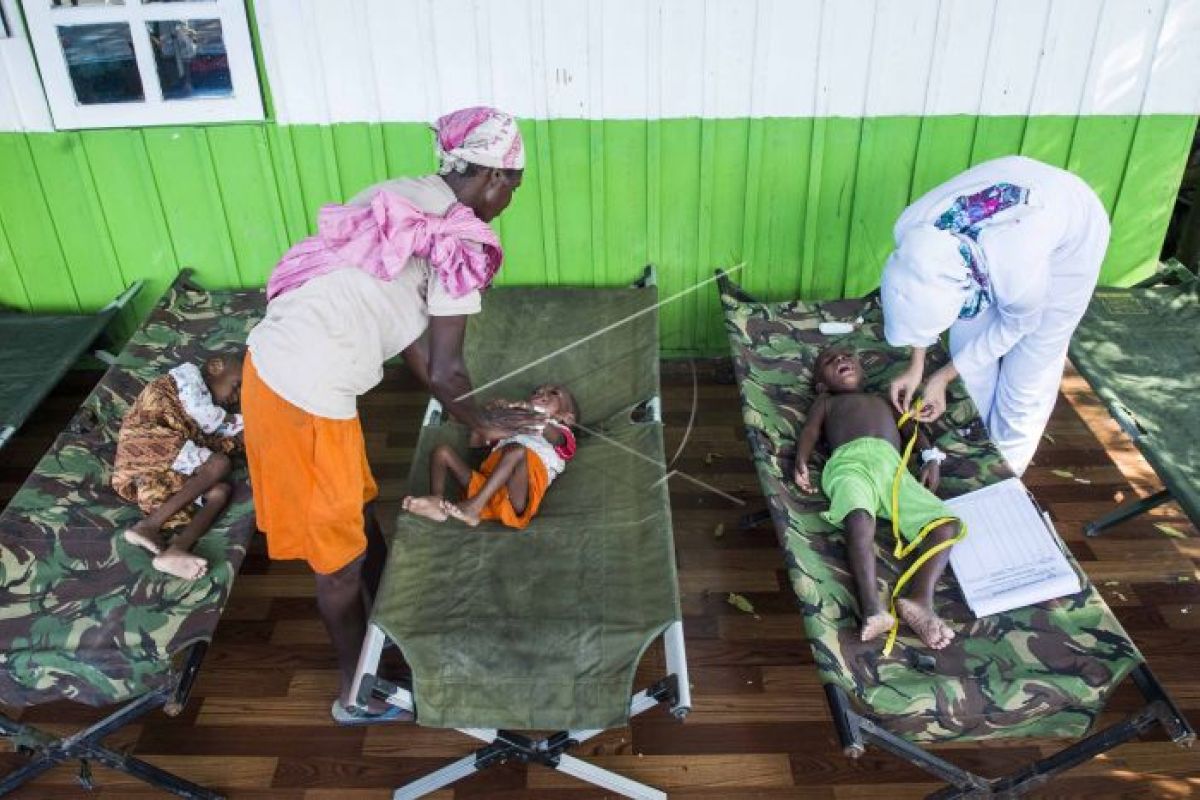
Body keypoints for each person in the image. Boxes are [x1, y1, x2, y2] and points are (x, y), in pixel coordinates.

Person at [242, 106, 544, 725]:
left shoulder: (400, 195)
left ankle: (388, 626)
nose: (511, 197)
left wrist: (472, 411)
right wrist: (480, 422)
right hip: (303, 391)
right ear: (492, 177)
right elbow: (450, 371)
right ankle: (359, 692)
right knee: (339, 562)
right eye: (515, 184)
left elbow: (426, 358)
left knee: (355, 508)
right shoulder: (461, 241)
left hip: (282, 368)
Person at [881, 155, 1110, 474]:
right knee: (967, 351)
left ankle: (1005, 474)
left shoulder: (1016, 271)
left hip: (1072, 230)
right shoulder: (911, 232)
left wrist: (944, 376)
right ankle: (979, 439)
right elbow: (918, 289)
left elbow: (1019, 326)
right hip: (1010, 217)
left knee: (1028, 376)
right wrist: (917, 367)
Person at [793, 346, 961, 650]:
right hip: (850, 465)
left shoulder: (885, 398)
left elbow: (912, 430)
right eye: (830, 362)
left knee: (946, 526)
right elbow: (810, 430)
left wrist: (930, 458)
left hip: (893, 470)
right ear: (821, 384)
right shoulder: (827, 402)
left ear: (863, 371)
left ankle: (920, 599)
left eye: (846, 356)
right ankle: (871, 606)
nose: (841, 359)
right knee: (858, 518)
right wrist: (801, 460)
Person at [114, 354, 243, 581]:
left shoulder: (201, 407)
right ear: (215, 366)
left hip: (160, 469)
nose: (235, 398)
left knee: (219, 491)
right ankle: (149, 525)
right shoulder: (188, 380)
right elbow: (209, 421)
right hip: (146, 442)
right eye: (237, 385)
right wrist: (253, 420)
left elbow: (211, 436)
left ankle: (176, 549)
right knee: (219, 464)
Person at [404, 384, 579, 529]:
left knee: (516, 451)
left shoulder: (564, 435)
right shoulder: (514, 431)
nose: (542, 393)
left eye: (554, 393)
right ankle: (437, 501)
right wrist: (491, 415)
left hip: (516, 498)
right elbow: (479, 452)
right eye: (537, 392)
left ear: (568, 418)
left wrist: (529, 411)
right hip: (487, 486)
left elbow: (552, 434)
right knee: (442, 452)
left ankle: (474, 507)